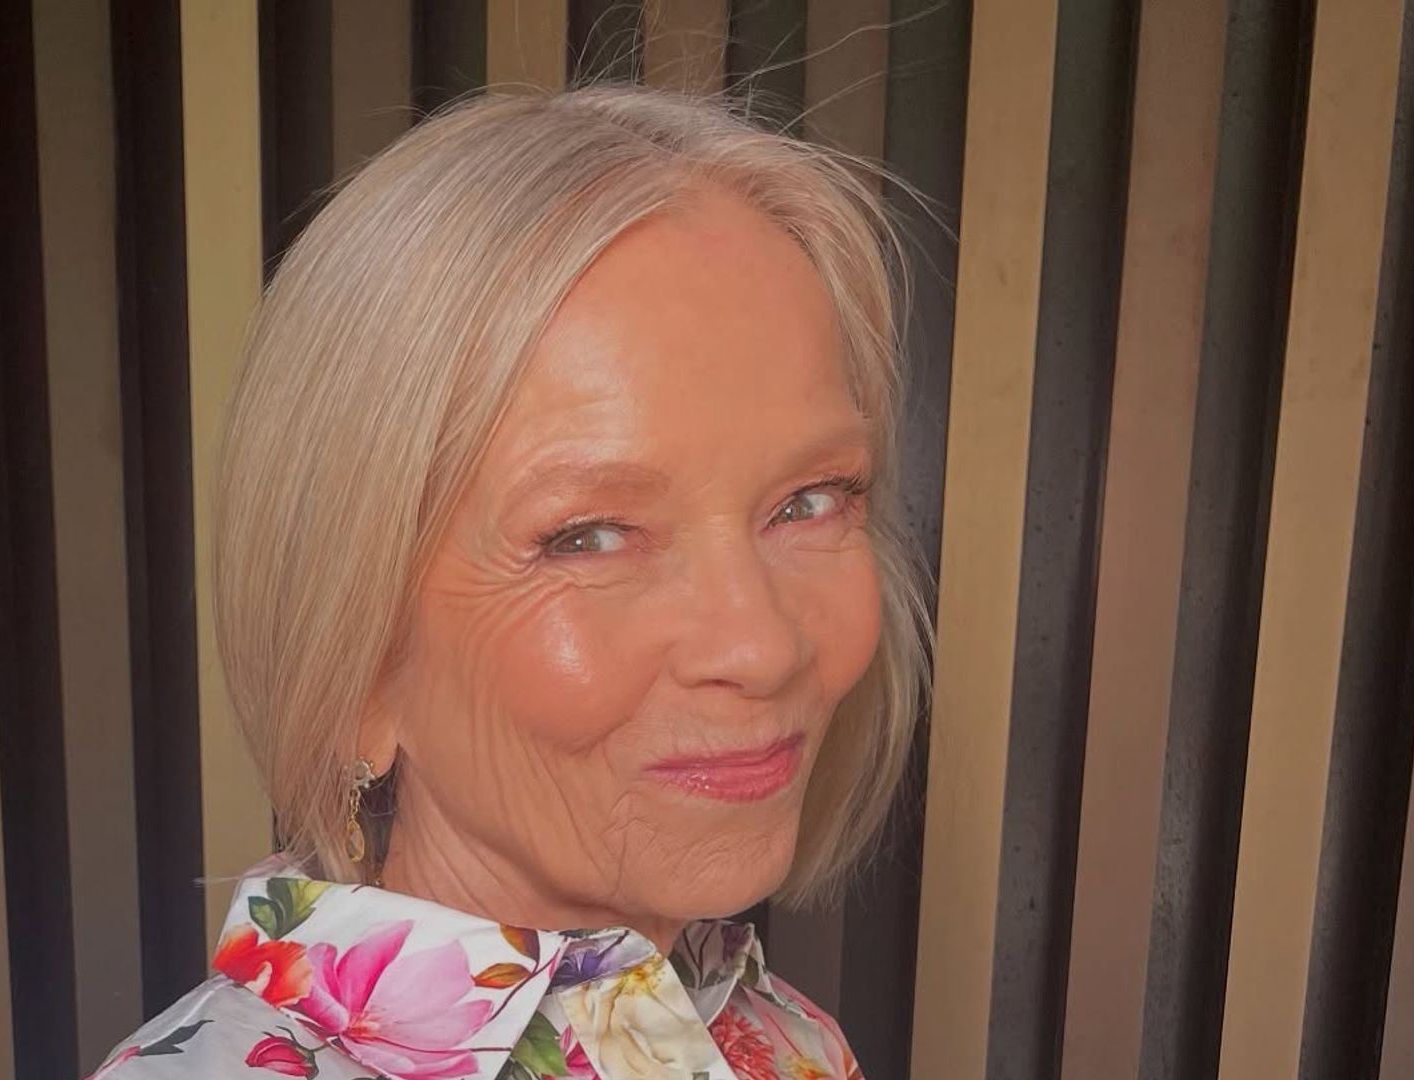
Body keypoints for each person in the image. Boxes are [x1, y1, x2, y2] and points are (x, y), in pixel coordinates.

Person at [88, 82, 928, 1080]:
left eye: (810, 500)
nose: (762, 644)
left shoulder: (785, 1041)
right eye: (589, 537)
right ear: (354, 660)